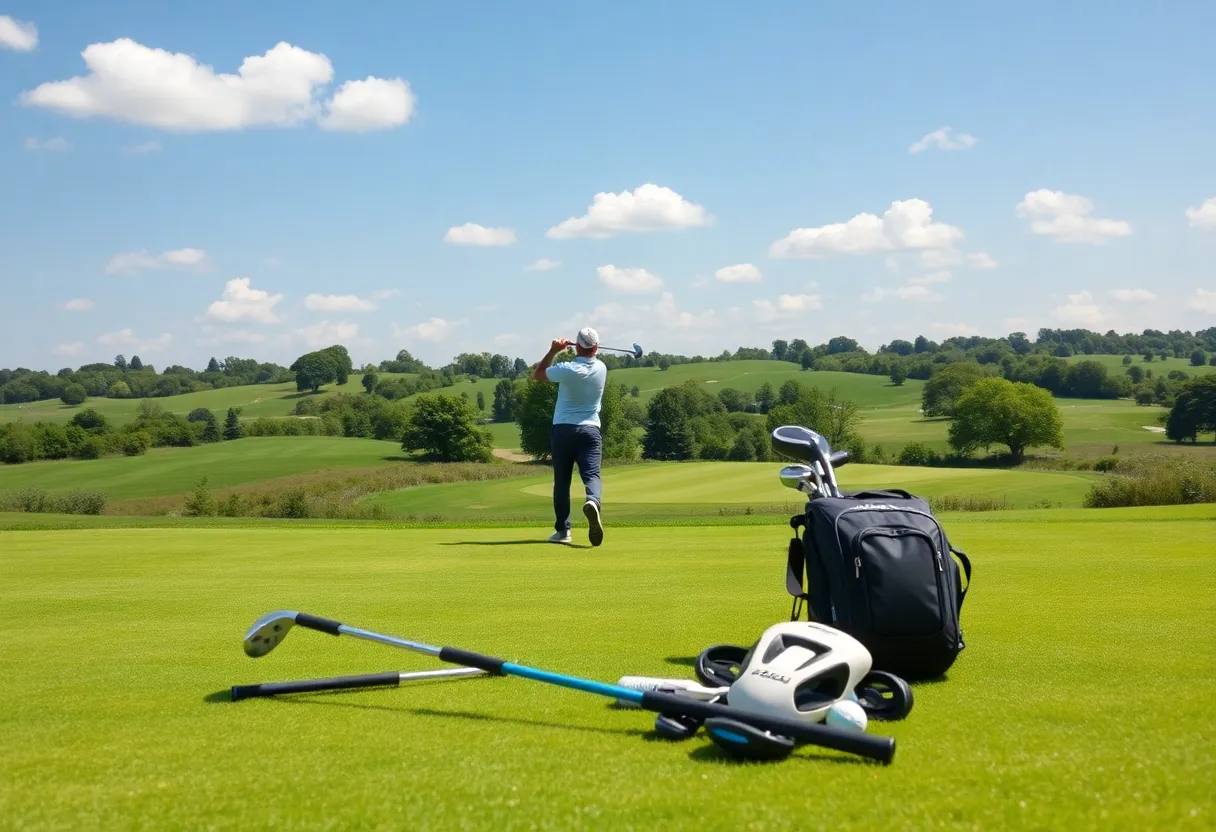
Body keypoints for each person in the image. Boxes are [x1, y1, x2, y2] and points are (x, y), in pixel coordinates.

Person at [533, 327, 607, 546]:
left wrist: (553, 350)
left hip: (563, 431)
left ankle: (563, 531)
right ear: (596, 347)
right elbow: (589, 354)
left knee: (562, 482)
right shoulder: (602, 368)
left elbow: (538, 374)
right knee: (592, 475)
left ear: (577, 346)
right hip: (590, 431)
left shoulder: (567, 369)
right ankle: (593, 501)